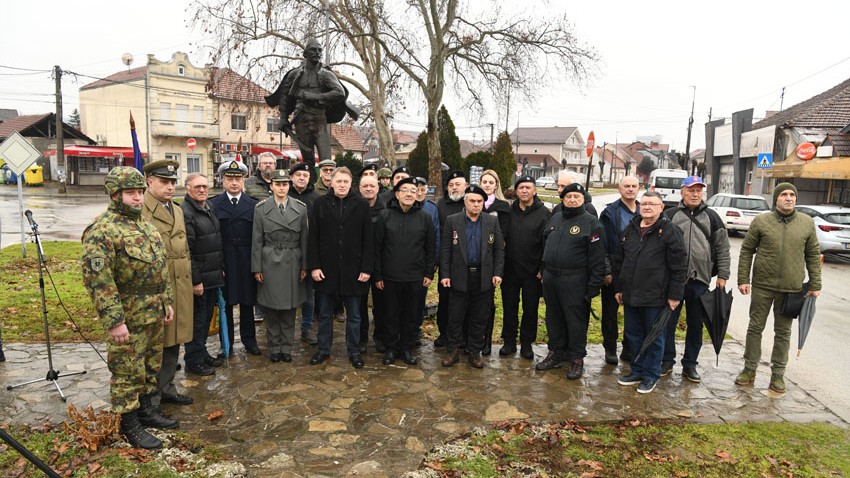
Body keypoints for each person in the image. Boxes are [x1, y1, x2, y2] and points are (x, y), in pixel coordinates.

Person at [81, 166, 176, 450]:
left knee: (149, 366)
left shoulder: (144, 225)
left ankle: (147, 411)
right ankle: (129, 423)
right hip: (128, 314)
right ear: (115, 194)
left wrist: (166, 300)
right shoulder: (102, 230)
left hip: (152, 310)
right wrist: (114, 321)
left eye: (139, 192)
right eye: (130, 193)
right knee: (126, 371)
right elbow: (99, 280)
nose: (137, 198)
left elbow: (161, 266)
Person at [736, 182, 822, 394]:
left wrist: (815, 284)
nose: (789, 198)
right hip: (763, 286)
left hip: (792, 288)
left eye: (792, 194)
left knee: (783, 332)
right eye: (784, 194)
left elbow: (813, 254)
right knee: (755, 327)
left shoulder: (806, 223)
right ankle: (749, 369)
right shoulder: (761, 221)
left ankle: (778, 375)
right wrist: (743, 279)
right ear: (776, 198)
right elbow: (747, 250)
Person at [614, 191, 687, 394]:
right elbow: (620, 261)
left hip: (656, 296)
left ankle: (650, 375)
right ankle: (637, 371)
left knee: (653, 338)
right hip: (631, 294)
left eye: (652, 204)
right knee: (634, 335)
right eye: (644, 203)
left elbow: (679, 266)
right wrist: (618, 288)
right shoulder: (631, 229)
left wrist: (675, 295)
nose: (647, 207)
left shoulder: (669, 231)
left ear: (661, 207)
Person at [661, 176, 731, 382]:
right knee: (668, 323)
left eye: (699, 190)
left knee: (696, 325)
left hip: (700, 280)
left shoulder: (713, 217)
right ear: (682, 191)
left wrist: (723, 275)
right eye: (691, 190)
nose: (695, 194)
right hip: (673, 281)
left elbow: (722, 248)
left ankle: (690, 364)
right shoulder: (670, 215)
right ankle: (666, 360)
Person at [536, 183, 606, 380]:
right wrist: (543, 269)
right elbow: (545, 244)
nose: (572, 200)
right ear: (563, 199)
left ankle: (576, 358)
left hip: (575, 279)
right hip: (551, 278)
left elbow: (597, 257)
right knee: (554, 317)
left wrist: (593, 285)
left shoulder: (591, 222)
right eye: (569, 197)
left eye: (577, 196)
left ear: (583, 199)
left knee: (575, 321)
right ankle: (556, 352)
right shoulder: (555, 218)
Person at [307, 167, 374, 368]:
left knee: (354, 315)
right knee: (325, 314)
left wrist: (366, 268)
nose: (342, 185)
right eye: (339, 181)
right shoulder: (320, 204)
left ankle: (354, 351)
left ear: (350, 184)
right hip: (326, 270)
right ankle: (323, 349)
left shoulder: (361, 205)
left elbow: (368, 239)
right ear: (331, 183)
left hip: (354, 271)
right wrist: (314, 266)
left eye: (346, 181)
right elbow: (313, 238)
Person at [141, 160, 193, 408]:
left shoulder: (177, 209)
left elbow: (185, 249)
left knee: (176, 338)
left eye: (173, 182)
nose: (171, 187)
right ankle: (152, 397)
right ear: (149, 182)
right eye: (164, 182)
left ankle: (167, 386)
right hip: (158, 284)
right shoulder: (142, 211)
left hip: (180, 282)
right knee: (157, 341)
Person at [266, 38, 349, 184]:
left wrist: (314, 96)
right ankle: (310, 190)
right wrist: (283, 118)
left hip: (319, 121)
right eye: (313, 50)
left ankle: (328, 190)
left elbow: (339, 93)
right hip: (301, 121)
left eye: (319, 50)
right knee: (307, 161)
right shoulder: (295, 74)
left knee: (327, 162)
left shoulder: (325, 74)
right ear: (305, 54)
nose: (317, 53)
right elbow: (285, 97)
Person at [440, 185, 505, 369]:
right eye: (472, 201)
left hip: (483, 277)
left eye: (479, 201)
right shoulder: (453, 221)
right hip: (459, 275)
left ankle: (474, 351)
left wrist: (497, 273)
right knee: (455, 315)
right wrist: (445, 274)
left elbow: (499, 249)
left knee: (479, 316)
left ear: (483, 203)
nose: (476, 205)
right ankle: (453, 350)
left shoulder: (491, 222)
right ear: (465, 202)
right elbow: (445, 249)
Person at [374, 177, 436, 366]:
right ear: (397, 194)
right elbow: (377, 248)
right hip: (390, 276)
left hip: (415, 276)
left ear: (417, 194)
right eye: (404, 190)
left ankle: (407, 348)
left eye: (412, 190)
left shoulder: (425, 217)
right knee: (390, 314)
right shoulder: (385, 216)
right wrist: (378, 274)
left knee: (410, 314)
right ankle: (391, 348)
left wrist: (428, 273)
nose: (409, 194)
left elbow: (430, 248)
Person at [251, 169, 309, 363]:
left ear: (289, 185)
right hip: (269, 260)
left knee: (289, 308)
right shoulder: (261, 209)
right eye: (278, 184)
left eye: (285, 184)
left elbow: (305, 240)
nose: (282, 188)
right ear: (271, 185)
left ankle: (287, 347)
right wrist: (256, 268)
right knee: (271, 308)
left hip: (293, 260)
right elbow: (257, 240)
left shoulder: (300, 208)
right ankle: (274, 347)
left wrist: (304, 266)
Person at [209, 160, 261, 356]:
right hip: (225, 261)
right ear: (222, 180)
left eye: (237, 179)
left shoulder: (254, 205)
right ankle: (227, 344)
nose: (233, 183)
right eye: (229, 178)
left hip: (246, 260)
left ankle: (250, 341)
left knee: (248, 303)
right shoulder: (213, 204)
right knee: (226, 305)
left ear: (243, 180)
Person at [180, 172, 226, 376]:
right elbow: (187, 250)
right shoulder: (186, 213)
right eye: (197, 186)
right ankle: (193, 359)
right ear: (187, 189)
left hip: (212, 275)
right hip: (199, 279)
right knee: (197, 321)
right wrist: (195, 280)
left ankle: (202, 351)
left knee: (206, 318)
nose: (202, 190)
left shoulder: (207, 207)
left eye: (205, 187)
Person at [500, 175, 549, 360]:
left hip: (532, 272)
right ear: (516, 191)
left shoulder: (543, 212)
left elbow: (547, 242)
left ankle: (527, 343)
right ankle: (509, 341)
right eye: (521, 188)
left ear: (534, 190)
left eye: (528, 187)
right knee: (509, 307)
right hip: (510, 270)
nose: (524, 191)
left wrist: (542, 268)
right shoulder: (509, 211)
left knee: (530, 309)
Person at [598, 176, 641, 364]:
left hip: (638, 271)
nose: (630, 189)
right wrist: (606, 271)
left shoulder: (644, 209)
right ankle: (610, 348)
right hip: (615, 268)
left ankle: (629, 348)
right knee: (610, 312)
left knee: (634, 312)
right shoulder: (610, 213)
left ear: (639, 189)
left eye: (634, 186)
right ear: (619, 189)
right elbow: (603, 244)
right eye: (626, 186)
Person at [434, 170, 468, 347]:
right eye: (451, 185)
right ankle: (444, 334)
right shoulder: (441, 205)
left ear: (466, 186)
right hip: (447, 261)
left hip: (467, 262)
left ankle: (463, 335)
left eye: (458, 184)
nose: (454, 188)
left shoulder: (471, 203)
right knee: (445, 299)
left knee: (464, 299)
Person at [479, 169, 510, 355]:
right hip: (473, 258)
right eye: (485, 182)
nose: (487, 185)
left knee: (488, 303)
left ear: (496, 185)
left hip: (492, 259)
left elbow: (503, 236)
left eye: (491, 182)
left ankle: (487, 341)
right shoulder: (474, 202)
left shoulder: (503, 206)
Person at [288, 162, 319, 345]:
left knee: (308, 295)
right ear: (292, 177)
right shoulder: (284, 195)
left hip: (309, 252)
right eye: (298, 175)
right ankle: (287, 329)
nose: (301, 178)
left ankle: (307, 327)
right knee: (288, 295)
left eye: (305, 175)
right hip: (288, 253)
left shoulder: (316, 198)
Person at [358, 174, 386, 353]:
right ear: (359, 188)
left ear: (377, 188)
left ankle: (380, 338)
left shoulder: (386, 209)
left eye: (372, 186)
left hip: (381, 264)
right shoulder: (355, 208)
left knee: (381, 305)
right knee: (359, 306)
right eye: (365, 186)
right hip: (359, 265)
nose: (368, 189)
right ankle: (361, 339)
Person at [414, 177, 440, 337]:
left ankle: (415, 330)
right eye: (416, 189)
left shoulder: (431, 209)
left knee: (419, 299)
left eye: (422, 190)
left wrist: (433, 263)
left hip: (424, 263)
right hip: (406, 262)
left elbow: (436, 237)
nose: (419, 193)